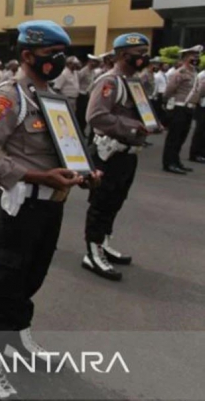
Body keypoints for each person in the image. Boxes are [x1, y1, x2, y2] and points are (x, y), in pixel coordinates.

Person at [0, 20, 100, 400]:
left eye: (63, 56)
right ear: (27, 56)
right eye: (51, 57)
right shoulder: (10, 96)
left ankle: (17, 340)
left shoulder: (53, 96)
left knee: (29, 280)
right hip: (20, 206)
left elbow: (66, 148)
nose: (59, 62)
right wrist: (38, 176)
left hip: (50, 205)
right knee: (2, 286)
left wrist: (86, 173)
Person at [83, 33, 152, 281]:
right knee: (101, 204)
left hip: (128, 154)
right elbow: (96, 116)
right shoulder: (109, 82)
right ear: (124, 55)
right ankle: (92, 251)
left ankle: (103, 241)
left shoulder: (132, 82)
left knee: (115, 202)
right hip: (109, 152)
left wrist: (149, 124)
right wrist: (132, 127)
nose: (144, 59)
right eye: (139, 55)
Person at [162, 45, 202, 174]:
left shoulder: (194, 73)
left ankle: (176, 161)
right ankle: (169, 163)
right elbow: (169, 90)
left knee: (182, 137)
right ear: (185, 58)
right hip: (179, 107)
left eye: (197, 56)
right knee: (174, 137)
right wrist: (169, 103)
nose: (196, 59)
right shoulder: (180, 73)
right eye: (193, 57)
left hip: (189, 108)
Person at [76, 54, 100, 133]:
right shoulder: (84, 71)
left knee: (85, 114)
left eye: (96, 62)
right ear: (89, 62)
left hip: (88, 95)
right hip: (81, 94)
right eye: (94, 62)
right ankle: (79, 130)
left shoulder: (93, 72)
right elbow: (77, 81)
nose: (95, 64)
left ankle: (82, 130)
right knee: (80, 114)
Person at [188, 68, 205, 164]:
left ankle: (201, 152)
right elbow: (200, 91)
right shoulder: (202, 75)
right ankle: (195, 154)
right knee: (200, 131)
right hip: (202, 105)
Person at [150, 57, 168, 125]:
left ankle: (160, 123)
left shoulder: (163, 75)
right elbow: (156, 86)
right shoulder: (157, 76)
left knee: (161, 109)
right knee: (158, 110)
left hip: (163, 93)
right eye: (165, 66)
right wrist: (154, 95)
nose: (166, 67)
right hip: (159, 94)